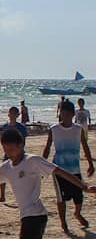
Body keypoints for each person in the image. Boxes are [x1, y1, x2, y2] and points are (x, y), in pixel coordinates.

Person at [42, 99, 94, 231]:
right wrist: (42, 165)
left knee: (79, 196)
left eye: (66, 114)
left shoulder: (78, 129)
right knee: (61, 198)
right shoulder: (54, 129)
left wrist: (90, 163)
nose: (63, 116)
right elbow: (47, 147)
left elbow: (85, 146)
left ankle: (77, 213)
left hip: (75, 168)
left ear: (72, 114)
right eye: (62, 113)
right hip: (58, 169)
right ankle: (63, 223)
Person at [0, 106, 29, 203]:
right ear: (8, 114)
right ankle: (2, 196)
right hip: (7, 155)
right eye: (11, 114)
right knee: (2, 173)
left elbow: (23, 142)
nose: (12, 116)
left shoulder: (21, 127)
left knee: (21, 176)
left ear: (17, 115)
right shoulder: (5, 127)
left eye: (14, 114)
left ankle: (24, 196)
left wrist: (19, 153)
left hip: (19, 154)